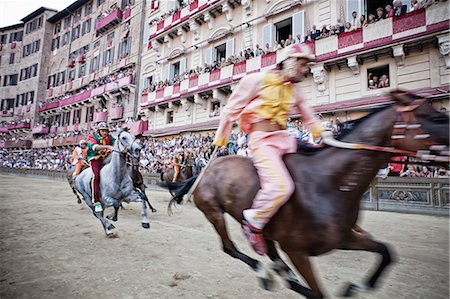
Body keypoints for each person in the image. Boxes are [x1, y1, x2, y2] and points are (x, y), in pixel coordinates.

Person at [213, 44, 325, 255]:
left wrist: (324, 135)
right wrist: (221, 138)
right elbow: (230, 110)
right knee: (280, 187)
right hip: (262, 141)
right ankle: (253, 222)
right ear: (290, 62)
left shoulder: (295, 90)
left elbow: (309, 117)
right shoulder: (256, 80)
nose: (306, 70)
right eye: (303, 65)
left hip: (286, 139)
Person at [87, 122, 115, 213]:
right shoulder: (92, 137)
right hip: (95, 159)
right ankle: (97, 201)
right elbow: (94, 147)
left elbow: (116, 142)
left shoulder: (109, 137)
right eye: (103, 131)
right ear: (99, 131)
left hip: (106, 157)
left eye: (106, 131)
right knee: (97, 176)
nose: (105, 133)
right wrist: (108, 147)